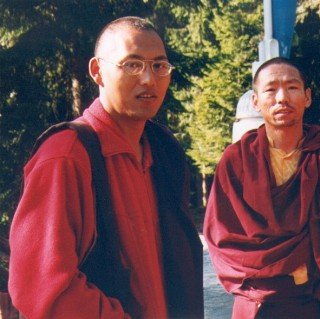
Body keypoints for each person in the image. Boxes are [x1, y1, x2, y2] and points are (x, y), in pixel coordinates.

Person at [8, 17, 203, 319]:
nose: (149, 79)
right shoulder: (66, 156)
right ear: (97, 71)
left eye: (159, 66)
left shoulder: (162, 152)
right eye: (132, 65)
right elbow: (40, 286)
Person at [203, 57, 320, 319]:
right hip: (258, 304)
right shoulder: (236, 159)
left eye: (292, 87)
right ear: (255, 100)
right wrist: (276, 270)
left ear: (307, 97)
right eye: (271, 89)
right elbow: (220, 238)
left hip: (313, 300)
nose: (282, 97)